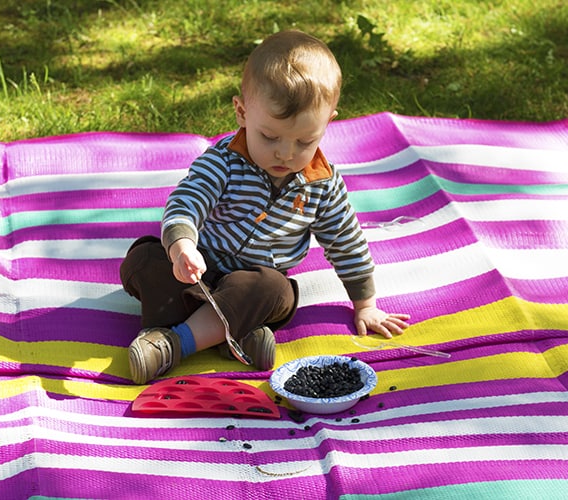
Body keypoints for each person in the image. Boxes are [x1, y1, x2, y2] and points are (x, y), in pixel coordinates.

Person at [120, 30, 411, 385]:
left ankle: (172, 344)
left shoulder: (322, 182)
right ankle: (234, 337)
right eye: (270, 137)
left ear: (329, 121)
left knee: (275, 289)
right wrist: (182, 246)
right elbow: (187, 200)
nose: (286, 153)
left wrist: (365, 304)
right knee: (144, 259)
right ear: (242, 112)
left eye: (305, 140)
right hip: (198, 273)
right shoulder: (225, 161)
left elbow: (346, 241)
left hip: (256, 289)